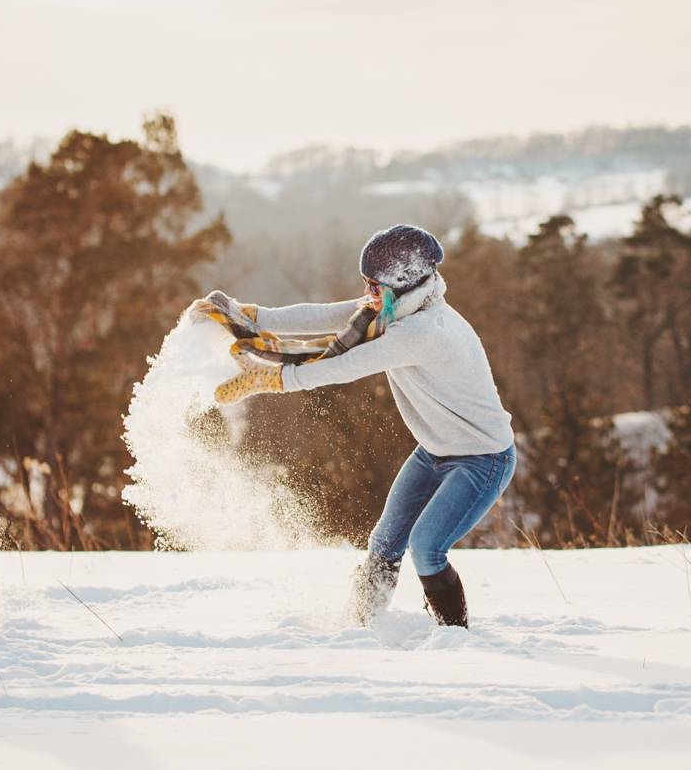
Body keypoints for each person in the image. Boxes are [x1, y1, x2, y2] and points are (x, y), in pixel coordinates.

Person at [197, 224, 515, 628]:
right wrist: (254, 318)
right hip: (433, 451)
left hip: (482, 459)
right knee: (383, 544)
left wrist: (276, 380)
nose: (368, 293)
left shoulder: (423, 332)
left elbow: (346, 367)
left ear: (403, 284)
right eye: (366, 283)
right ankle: (360, 627)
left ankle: (455, 639)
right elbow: (325, 314)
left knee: (427, 547)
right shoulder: (393, 309)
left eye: (374, 285)